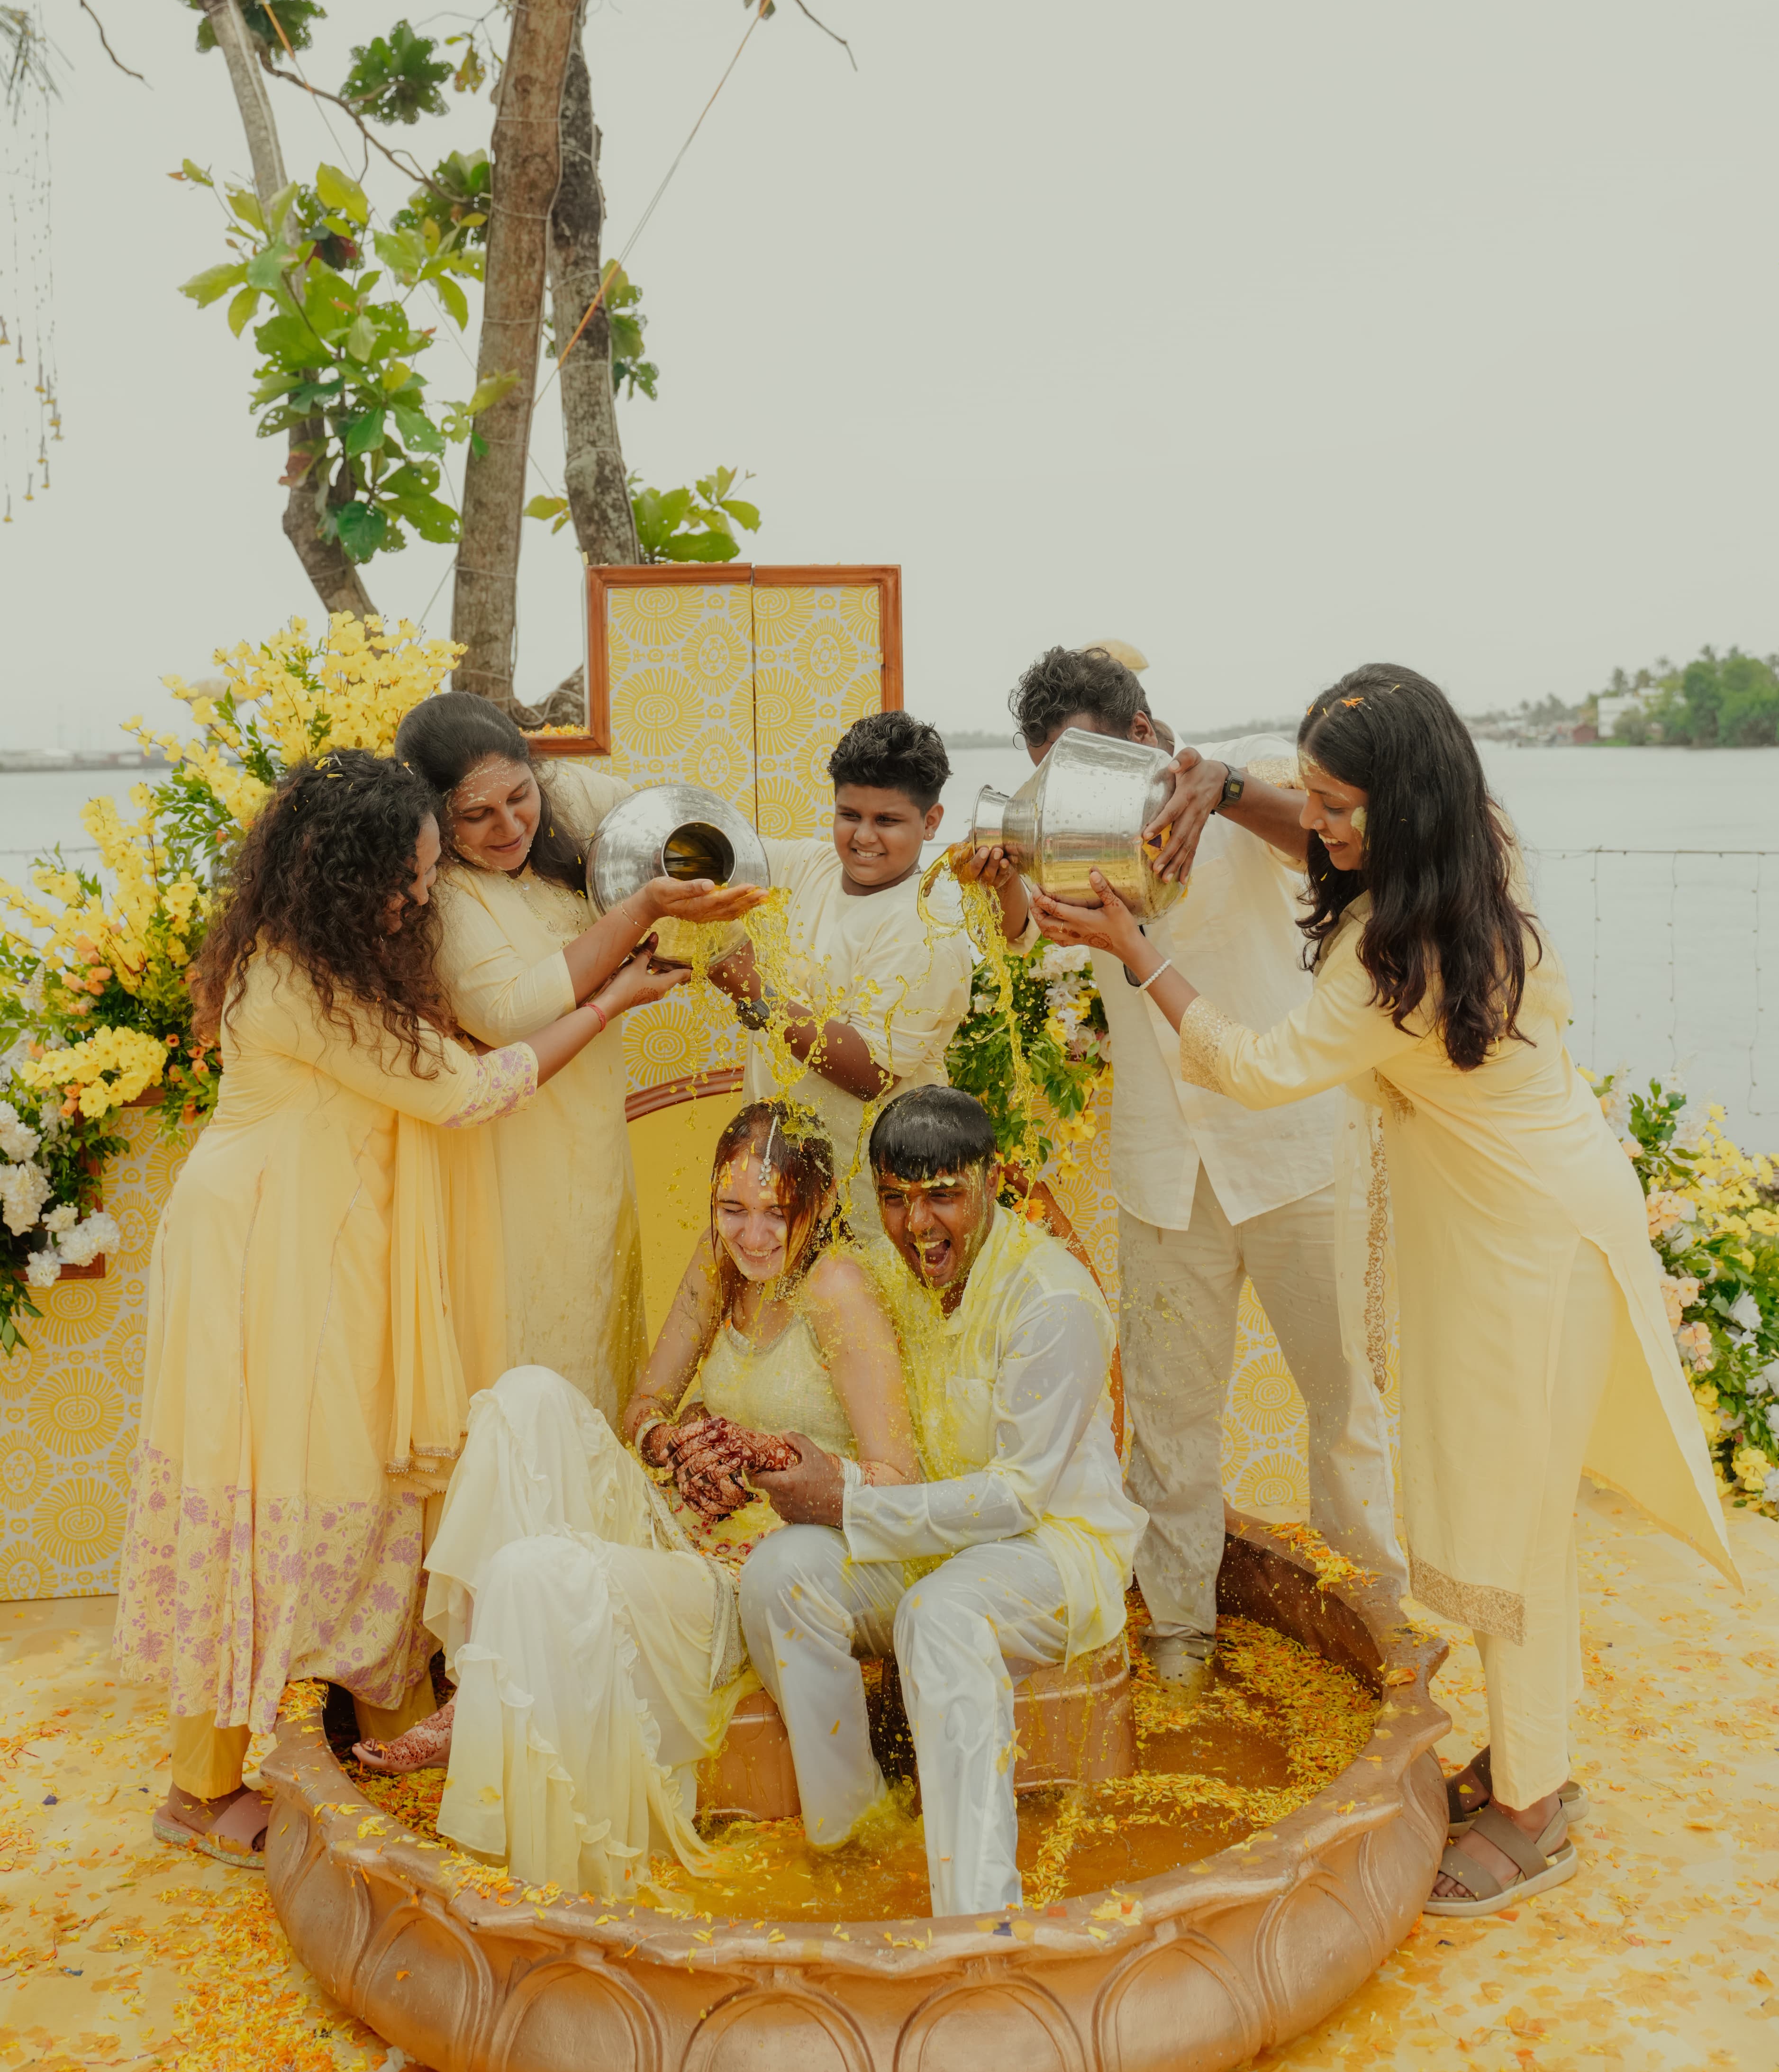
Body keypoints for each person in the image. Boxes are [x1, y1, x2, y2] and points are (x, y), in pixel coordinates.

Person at [1033, 664, 1738, 1919]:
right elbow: (1306, 845)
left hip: (1527, 1241)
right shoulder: (1468, 864)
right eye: (1307, 798)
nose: (1316, 826)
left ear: (1406, 802)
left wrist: (1138, 952)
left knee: (1508, 1522)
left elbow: (1255, 1068)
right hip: (1511, 1222)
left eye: (1337, 807)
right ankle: (1527, 1761)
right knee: (1498, 1508)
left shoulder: (1389, 952)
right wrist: (1230, 791)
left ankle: (1535, 1810)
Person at [115, 750, 680, 1870]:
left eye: (427, 874)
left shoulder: (335, 954)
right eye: (411, 877)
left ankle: (375, 1719)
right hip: (266, 1254)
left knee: (361, 1481)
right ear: (343, 878)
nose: (423, 895)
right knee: (276, 1491)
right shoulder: (299, 981)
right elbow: (466, 1089)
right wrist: (610, 997)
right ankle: (199, 1789)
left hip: (328, 1243)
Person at [354, 1104, 919, 1899]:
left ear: (819, 1203)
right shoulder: (721, 1259)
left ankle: (483, 1702)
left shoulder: (838, 1291)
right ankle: (481, 1685)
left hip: (752, 1572)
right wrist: (671, 1442)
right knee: (524, 1399)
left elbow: (899, 1479)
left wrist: (769, 1461)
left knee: (536, 1571)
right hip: (674, 1516)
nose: (753, 1236)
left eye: (776, 1213)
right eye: (733, 1209)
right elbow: (646, 1406)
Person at [989, 643, 1402, 1687]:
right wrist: (1004, 886)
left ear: (1142, 737)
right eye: (1047, 776)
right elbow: (1028, 948)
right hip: (1163, 1168)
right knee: (1169, 1422)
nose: (1065, 793)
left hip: (1296, 1151)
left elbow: (1332, 846)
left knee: (1344, 1405)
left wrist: (1221, 791)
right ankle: (1179, 1636)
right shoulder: (1061, 833)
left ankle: (1381, 1631)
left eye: (1080, 766)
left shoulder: (1251, 778)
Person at [739, 1085, 1144, 1918]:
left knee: (942, 1615)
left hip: (1053, 1553)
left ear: (992, 1181)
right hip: (928, 1546)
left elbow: (1020, 1498)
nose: (918, 1225)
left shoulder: (1051, 1299)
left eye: (943, 1196)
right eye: (894, 1198)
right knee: (780, 1574)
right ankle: (857, 1837)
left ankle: (978, 1921)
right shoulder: (892, 1275)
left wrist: (847, 1503)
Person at [396, 695, 761, 1414]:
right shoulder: (444, 892)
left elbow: (663, 817)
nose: (510, 827)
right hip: (510, 1161)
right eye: (477, 815)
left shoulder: (563, 804)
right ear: (434, 818)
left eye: (519, 797)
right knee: (530, 1354)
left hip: (593, 1142)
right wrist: (640, 912)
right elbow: (511, 1014)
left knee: (599, 1326)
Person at [708, 711, 972, 1249]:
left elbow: (871, 1073)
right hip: (779, 1181)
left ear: (931, 822)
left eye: (888, 821)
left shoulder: (926, 929)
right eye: (849, 815)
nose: (864, 837)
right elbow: (719, 854)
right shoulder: (810, 866)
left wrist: (755, 993)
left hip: (874, 1199)